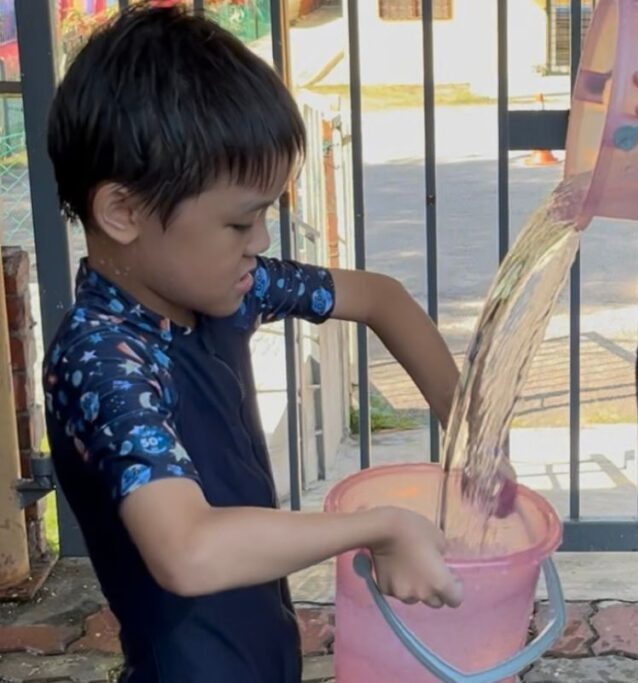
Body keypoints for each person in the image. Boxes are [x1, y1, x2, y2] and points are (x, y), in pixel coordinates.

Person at [42, 7, 462, 682]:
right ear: (123, 211)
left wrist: (471, 441)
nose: (261, 242)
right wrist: (376, 526)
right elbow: (189, 550)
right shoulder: (102, 357)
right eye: (240, 220)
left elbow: (382, 298)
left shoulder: (225, 292)